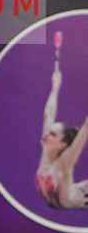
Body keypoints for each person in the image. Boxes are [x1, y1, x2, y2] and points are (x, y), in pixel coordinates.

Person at [35, 67, 88, 208]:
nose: (46, 134)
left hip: (84, 196)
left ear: (62, 143)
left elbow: (85, 130)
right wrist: (55, 86)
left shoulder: (65, 160)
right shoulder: (47, 151)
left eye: (52, 134)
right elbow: (48, 114)